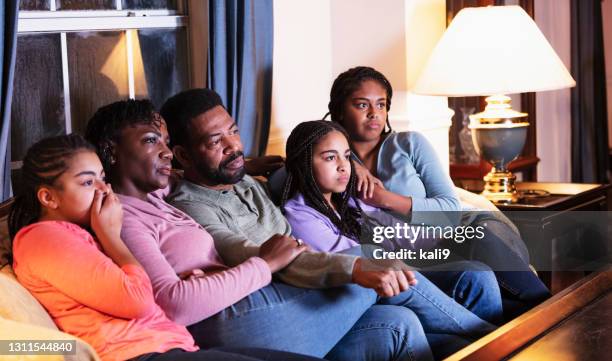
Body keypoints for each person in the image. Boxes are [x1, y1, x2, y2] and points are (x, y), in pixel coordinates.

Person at [85, 99, 441, 361]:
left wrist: (245, 163)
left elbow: (193, 173)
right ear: (111, 154)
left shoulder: (159, 194)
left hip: (263, 301)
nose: (164, 153)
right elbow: (173, 304)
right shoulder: (124, 216)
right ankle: (490, 339)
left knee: (398, 322)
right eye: (151, 141)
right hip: (229, 320)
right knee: (374, 259)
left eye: (164, 142)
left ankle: (485, 343)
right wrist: (264, 264)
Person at [159, 89, 500, 359]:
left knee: (402, 322)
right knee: (369, 258)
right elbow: (256, 255)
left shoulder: (240, 177)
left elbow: (298, 165)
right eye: (216, 141)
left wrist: (353, 165)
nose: (233, 146)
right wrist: (354, 268)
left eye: (233, 131)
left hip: (308, 295)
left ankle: (493, 342)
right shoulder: (193, 207)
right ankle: (499, 340)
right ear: (184, 155)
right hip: (275, 307)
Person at [9, 134, 323, 361]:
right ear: (48, 197)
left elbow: (135, 291)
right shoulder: (42, 238)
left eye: (103, 178)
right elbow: (137, 300)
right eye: (88, 183)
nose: (105, 190)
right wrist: (112, 237)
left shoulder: (81, 233)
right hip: (134, 354)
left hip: (171, 345)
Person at [323, 66, 551, 317]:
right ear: (340, 111)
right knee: (492, 298)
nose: (374, 114)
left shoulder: (409, 143)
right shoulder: (334, 160)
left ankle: (555, 312)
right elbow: (291, 163)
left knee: (483, 240)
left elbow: (450, 210)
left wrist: (384, 199)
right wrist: (352, 164)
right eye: (362, 105)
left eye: (381, 104)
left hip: (461, 229)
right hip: (414, 252)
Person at [281, 119, 503, 319]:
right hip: (368, 290)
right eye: (330, 157)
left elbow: (393, 231)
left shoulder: (349, 200)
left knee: (476, 273)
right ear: (304, 163)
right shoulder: (298, 215)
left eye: (347, 156)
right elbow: (359, 257)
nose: (343, 166)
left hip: (401, 269)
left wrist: (446, 238)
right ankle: (497, 340)